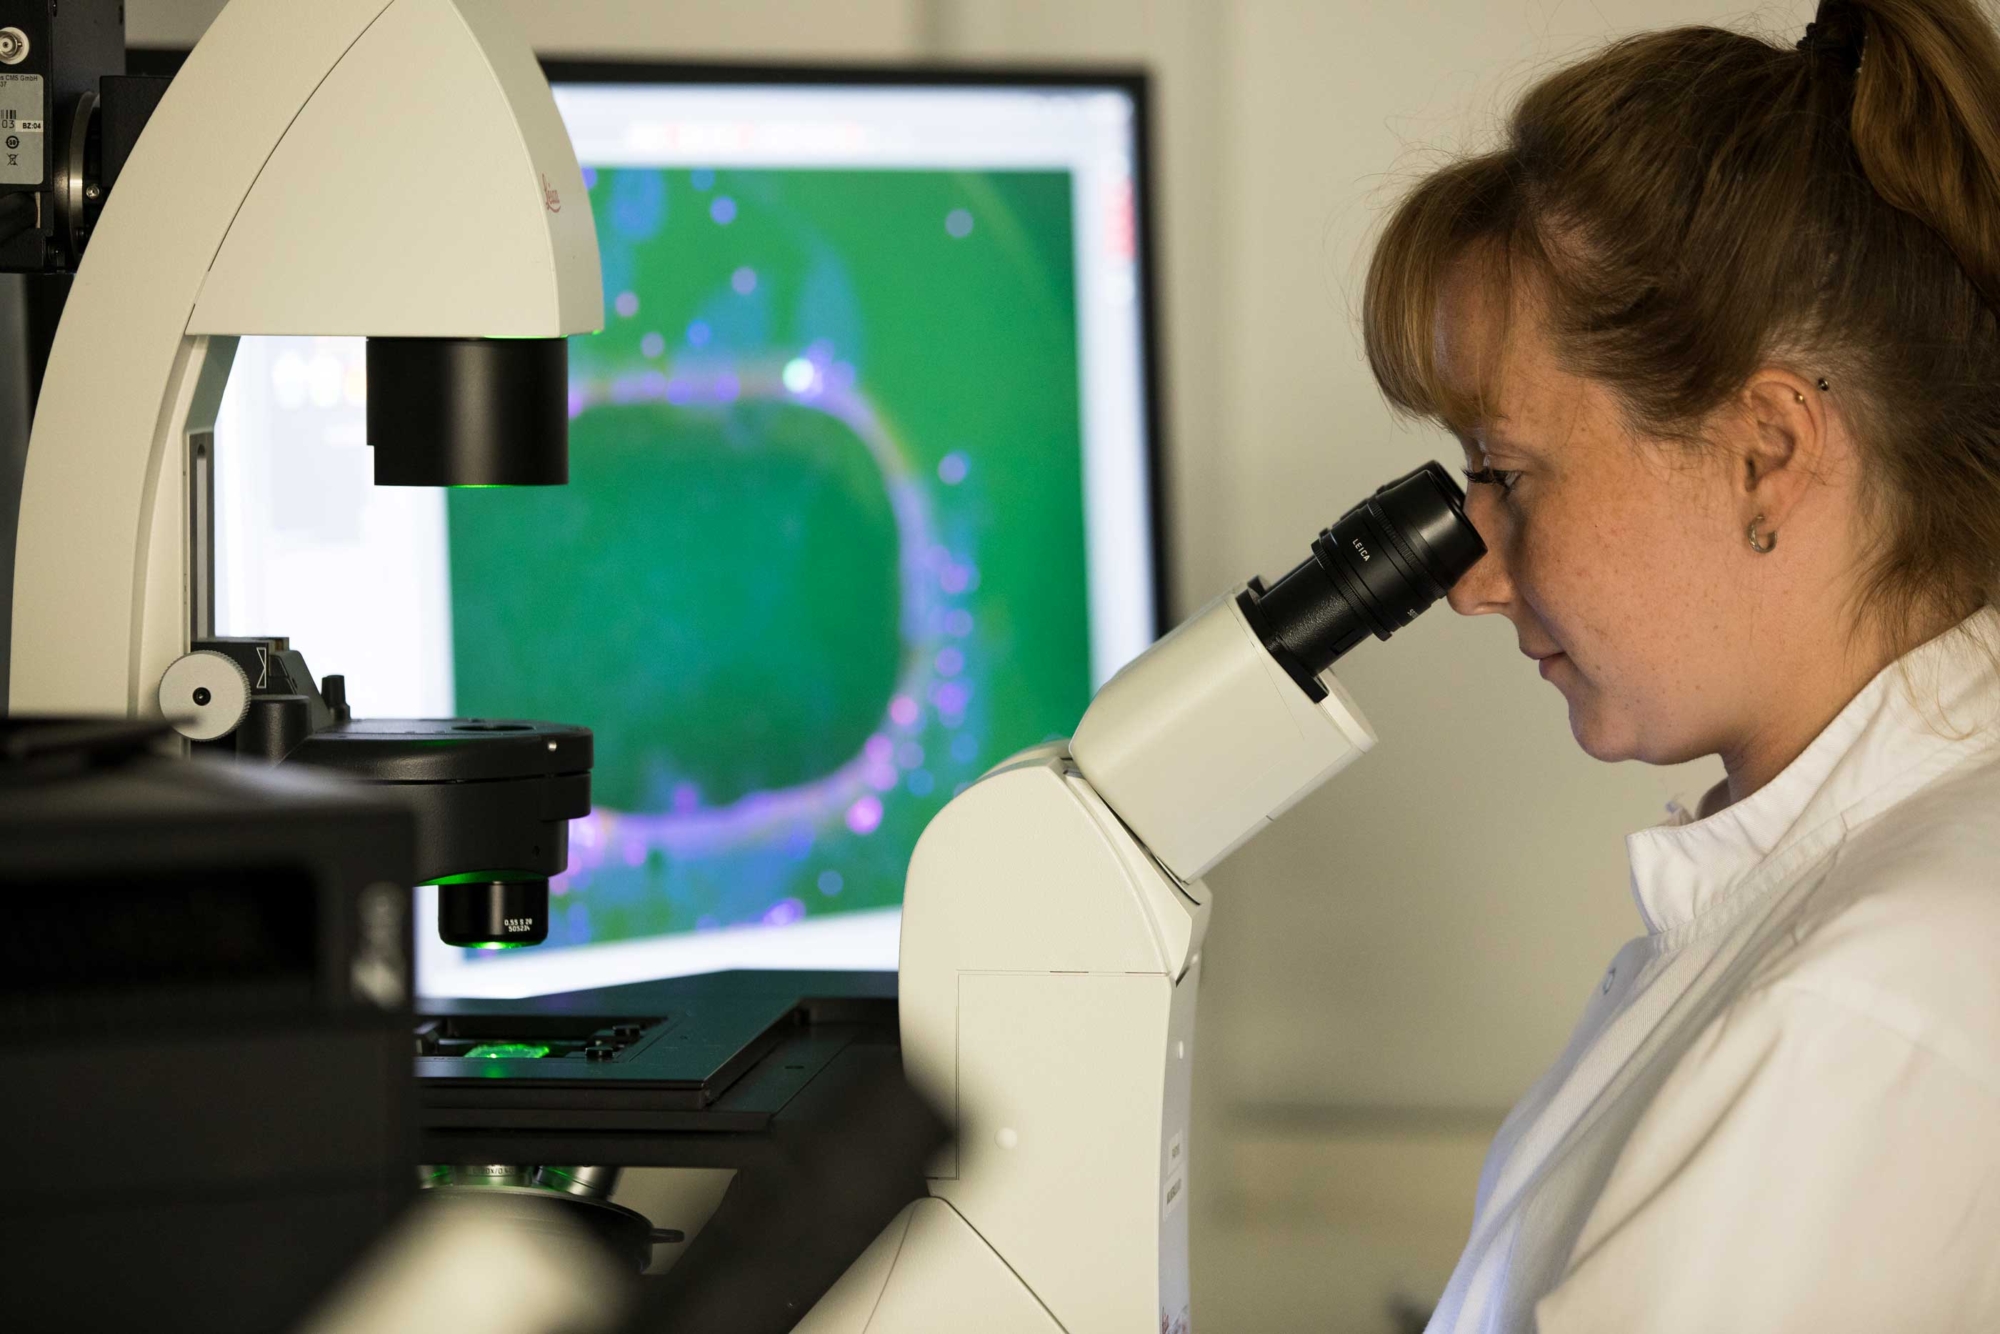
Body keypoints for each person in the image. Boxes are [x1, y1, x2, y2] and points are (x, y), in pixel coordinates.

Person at [1362, 0, 2000, 1328]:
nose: (1474, 578)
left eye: (1508, 474)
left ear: (1767, 447)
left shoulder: (1853, 1014)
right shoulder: (1854, 884)